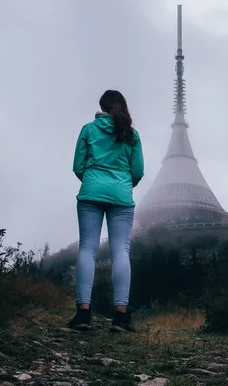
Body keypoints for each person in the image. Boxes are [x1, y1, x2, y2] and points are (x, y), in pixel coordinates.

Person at [69, 90, 144, 332]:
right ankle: (121, 316)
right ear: (122, 106)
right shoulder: (131, 134)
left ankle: (83, 313)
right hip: (121, 196)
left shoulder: (88, 129)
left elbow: (78, 165)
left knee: (87, 248)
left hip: (91, 192)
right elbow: (138, 171)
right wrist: (121, 185)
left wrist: (92, 180)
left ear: (101, 106)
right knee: (120, 251)